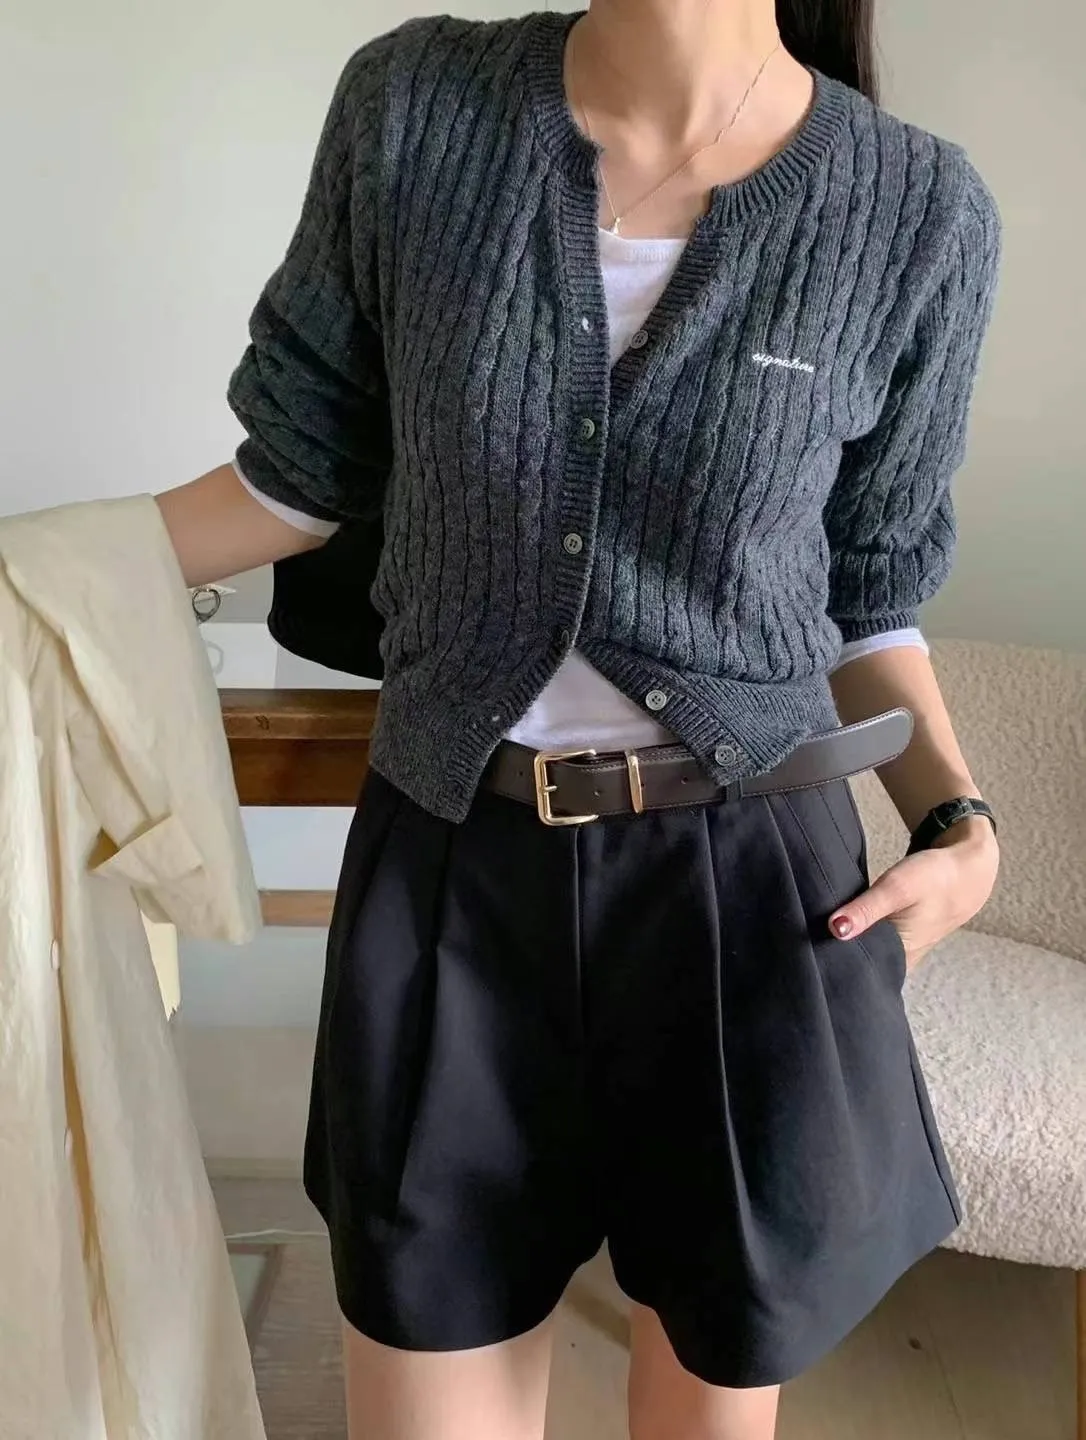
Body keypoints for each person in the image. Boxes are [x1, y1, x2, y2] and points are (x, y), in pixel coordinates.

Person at [157, 3, 1002, 1437]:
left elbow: (869, 591)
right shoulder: (414, 106)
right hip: (453, 867)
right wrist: (43, 570)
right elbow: (291, 479)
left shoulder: (916, 207)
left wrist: (959, 822)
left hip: (749, 897)